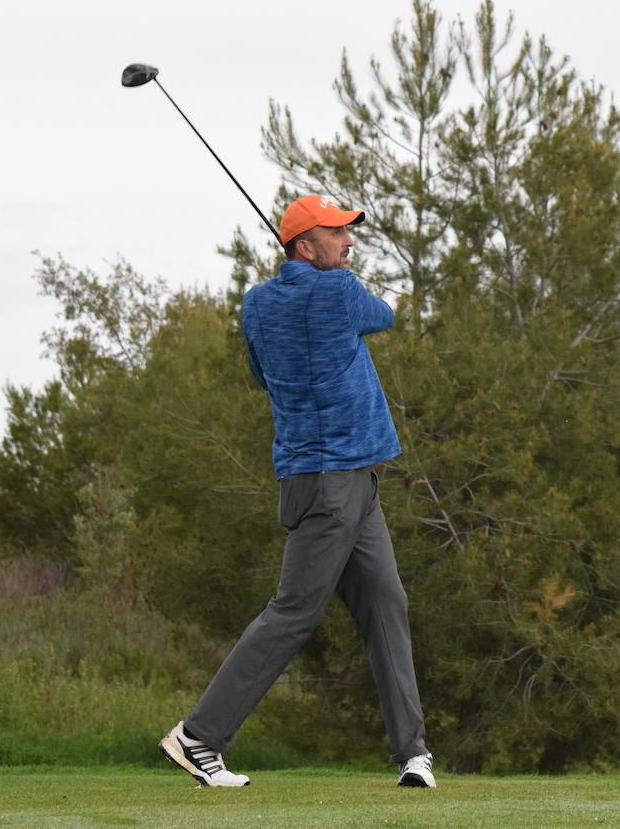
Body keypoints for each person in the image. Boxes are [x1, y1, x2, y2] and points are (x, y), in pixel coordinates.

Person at [159, 194, 434, 789]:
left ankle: (412, 753)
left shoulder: (257, 303)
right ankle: (198, 737)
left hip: (347, 477)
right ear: (304, 246)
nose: (350, 241)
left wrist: (308, 283)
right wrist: (330, 283)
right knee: (294, 612)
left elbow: (261, 374)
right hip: (330, 481)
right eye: (337, 234)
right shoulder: (339, 291)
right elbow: (384, 316)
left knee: (387, 602)